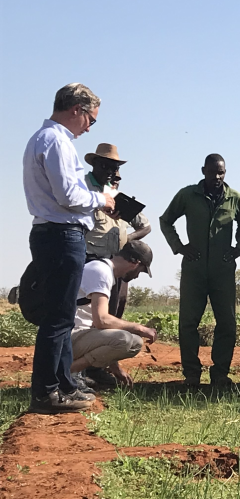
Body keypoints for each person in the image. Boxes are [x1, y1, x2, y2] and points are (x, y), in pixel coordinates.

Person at [23, 83, 115, 414]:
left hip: (56, 233)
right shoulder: (56, 141)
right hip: (62, 235)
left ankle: (63, 382)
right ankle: (48, 391)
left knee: (61, 314)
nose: (90, 126)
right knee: (59, 318)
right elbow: (67, 196)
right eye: (91, 118)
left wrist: (95, 205)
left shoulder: (45, 139)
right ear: (77, 109)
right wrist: (100, 199)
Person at [161, 154, 240, 387]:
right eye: (213, 172)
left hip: (223, 270)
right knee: (188, 322)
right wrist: (179, 247)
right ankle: (191, 373)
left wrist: (238, 249)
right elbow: (166, 220)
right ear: (204, 171)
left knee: (227, 323)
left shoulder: (235, 199)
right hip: (194, 268)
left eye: (221, 172)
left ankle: (220, 373)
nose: (217, 177)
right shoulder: (188, 195)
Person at [70, 241, 157, 389]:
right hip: (70, 337)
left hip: (71, 337)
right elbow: (102, 321)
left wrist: (115, 367)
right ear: (135, 263)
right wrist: (140, 328)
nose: (136, 276)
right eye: (141, 270)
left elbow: (98, 325)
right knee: (131, 341)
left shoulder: (99, 268)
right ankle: (67, 372)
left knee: (129, 340)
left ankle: (71, 371)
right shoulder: (101, 272)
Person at [83, 145, 152, 322]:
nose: (111, 172)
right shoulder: (82, 188)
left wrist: (126, 240)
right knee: (84, 312)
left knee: (111, 312)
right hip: (88, 260)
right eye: (106, 166)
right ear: (95, 164)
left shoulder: (116, 194)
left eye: (115, 168)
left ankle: (103, 347)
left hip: (114, 264)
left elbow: (145, 226)